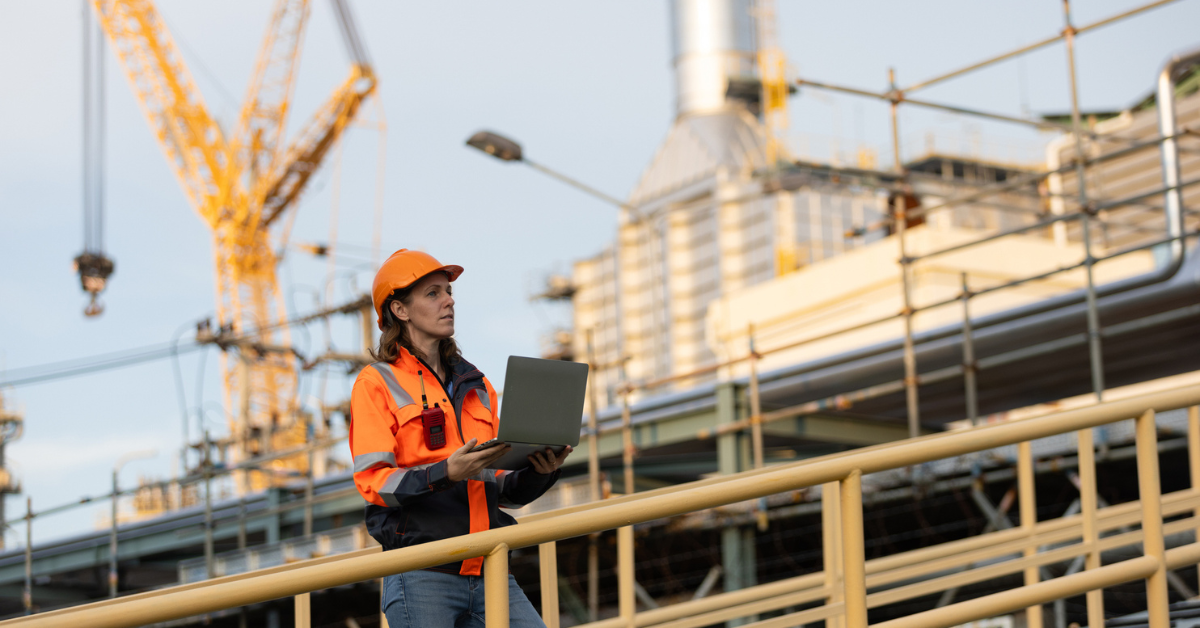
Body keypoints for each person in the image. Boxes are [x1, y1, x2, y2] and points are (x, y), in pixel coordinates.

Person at [350, 249, 572, 628]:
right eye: (433, 293)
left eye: (448, 292)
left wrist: (540, 470)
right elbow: (374, 482)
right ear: (400, 311)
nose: (449, 300)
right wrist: (445, 473)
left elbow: (499, 488)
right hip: (421, 574)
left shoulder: (478, 385)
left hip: (490, 564)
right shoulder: (376, 383)